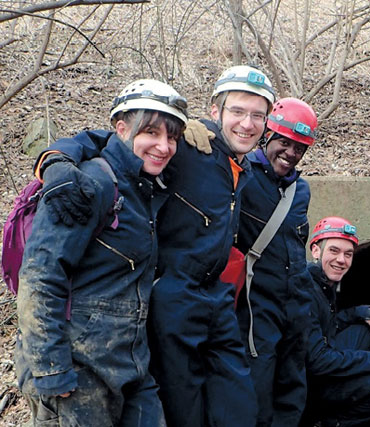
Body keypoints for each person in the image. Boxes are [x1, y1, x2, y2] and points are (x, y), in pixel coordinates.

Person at [34, 65, 276, 426]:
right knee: (183, 407)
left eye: (258, 115)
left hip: (217, 296)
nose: (247, 123)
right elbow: (117, 140)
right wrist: (56, 158)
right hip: (171, 296)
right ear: (215, 112)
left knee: (239, 405)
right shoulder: (188, 148)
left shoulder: (245, 167)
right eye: (238, 111)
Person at [15, 79, 187, 426]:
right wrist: (51, 371)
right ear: (121, 129)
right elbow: (39, 275)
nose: (163, 146)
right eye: (151, 133)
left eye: (171, 137)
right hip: (77, 370)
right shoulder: (88, 184)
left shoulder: (145, 189)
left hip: (130, 366)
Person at [234, 97, 318, 426]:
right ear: (267, 136)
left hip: (296, 304)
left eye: (299, 148)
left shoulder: (301, 190)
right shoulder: (243, 176)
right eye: (284, 143)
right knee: (257, 388)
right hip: (257, 306)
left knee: (292, 387)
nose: (291, 154)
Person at [302, 217, 370, 427]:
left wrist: (361, 312)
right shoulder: (306, 290)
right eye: (333, 251)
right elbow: (318, 361)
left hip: (321, 367)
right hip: (309, 384)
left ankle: (365, 404)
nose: (341, 260)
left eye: (348, 254)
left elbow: (330, 324)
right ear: (316, 251)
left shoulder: (324, 283)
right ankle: (335, 421)